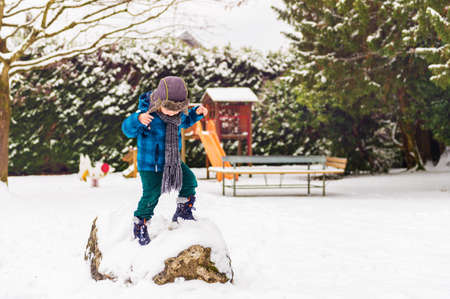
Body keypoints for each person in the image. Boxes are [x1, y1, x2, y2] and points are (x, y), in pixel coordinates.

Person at [121, 76, 208, 246]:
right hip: (150, 165)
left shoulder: (177, 116)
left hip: (172, 162)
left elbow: (186, 120)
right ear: (158, 101)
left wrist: (195, 113)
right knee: (152, 194)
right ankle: (141, 223)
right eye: (169, 109)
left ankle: (183, 211)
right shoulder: (146, 115)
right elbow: (127, 130)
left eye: (177, 110)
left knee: (189, 180)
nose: (173, 113)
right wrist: (137, 120)